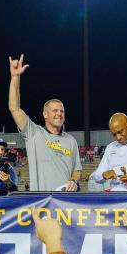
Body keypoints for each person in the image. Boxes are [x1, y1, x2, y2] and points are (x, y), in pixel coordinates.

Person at [7, 55, 81, 192]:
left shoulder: (71, 141)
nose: (59, 113)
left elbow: (77, 170)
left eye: (62, 111)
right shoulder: (34, 133)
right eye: (54, 111)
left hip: (64, 204)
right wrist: (15, 77)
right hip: (42, 202)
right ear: (45, 114)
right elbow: (14, 108)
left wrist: (74, 180)